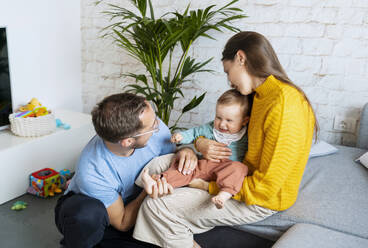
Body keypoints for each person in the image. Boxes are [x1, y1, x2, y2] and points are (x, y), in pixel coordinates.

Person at [132, 31, 318, 248]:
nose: (229, 81)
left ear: (241, 58)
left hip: (257, 197)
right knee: (160, 163)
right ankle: (143, 207)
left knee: (157, 208)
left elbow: (266, 190)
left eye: (227, 71)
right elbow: (220, 131)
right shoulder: (259, 95)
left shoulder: (285, 105)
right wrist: (199, 144)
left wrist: (204, 186)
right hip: (234, 170)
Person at [54, 92, 198, 248]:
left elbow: (170, 157)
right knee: (86, 215)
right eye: (152, 127)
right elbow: (122, 222)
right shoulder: (93, 171)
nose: (158, 126)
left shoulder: (151, 125)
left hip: (135, 205)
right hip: (106, 215)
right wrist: (146, 192)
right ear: (128, 141)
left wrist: (186, 151)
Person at [139, 89, 250, 209]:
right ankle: (157, 182)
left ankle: (223, 195)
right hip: (205, 165)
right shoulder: (210, 128)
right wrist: (181, 137)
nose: (222, 124)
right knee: (184, 169)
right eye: (218, 117)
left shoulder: (246, 135)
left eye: (229, 120)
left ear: (244, 121)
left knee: (240, 169)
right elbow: (194, 133)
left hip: (227, 169)